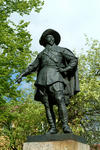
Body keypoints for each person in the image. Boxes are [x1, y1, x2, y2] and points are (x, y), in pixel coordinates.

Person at [17, 29, 80, 134]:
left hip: (56, 77)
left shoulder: (61, 50)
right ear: (45, 41)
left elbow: (74, 59)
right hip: (42, 80)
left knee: (60, 99)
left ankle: (65, 125)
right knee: (47, 104)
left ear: (54, 39)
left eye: (52, 37)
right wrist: (21, 75)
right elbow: (32, 66)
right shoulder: (41, 54)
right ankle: (52, 127)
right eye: (47, 38)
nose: (50, 39)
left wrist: (65, 69)